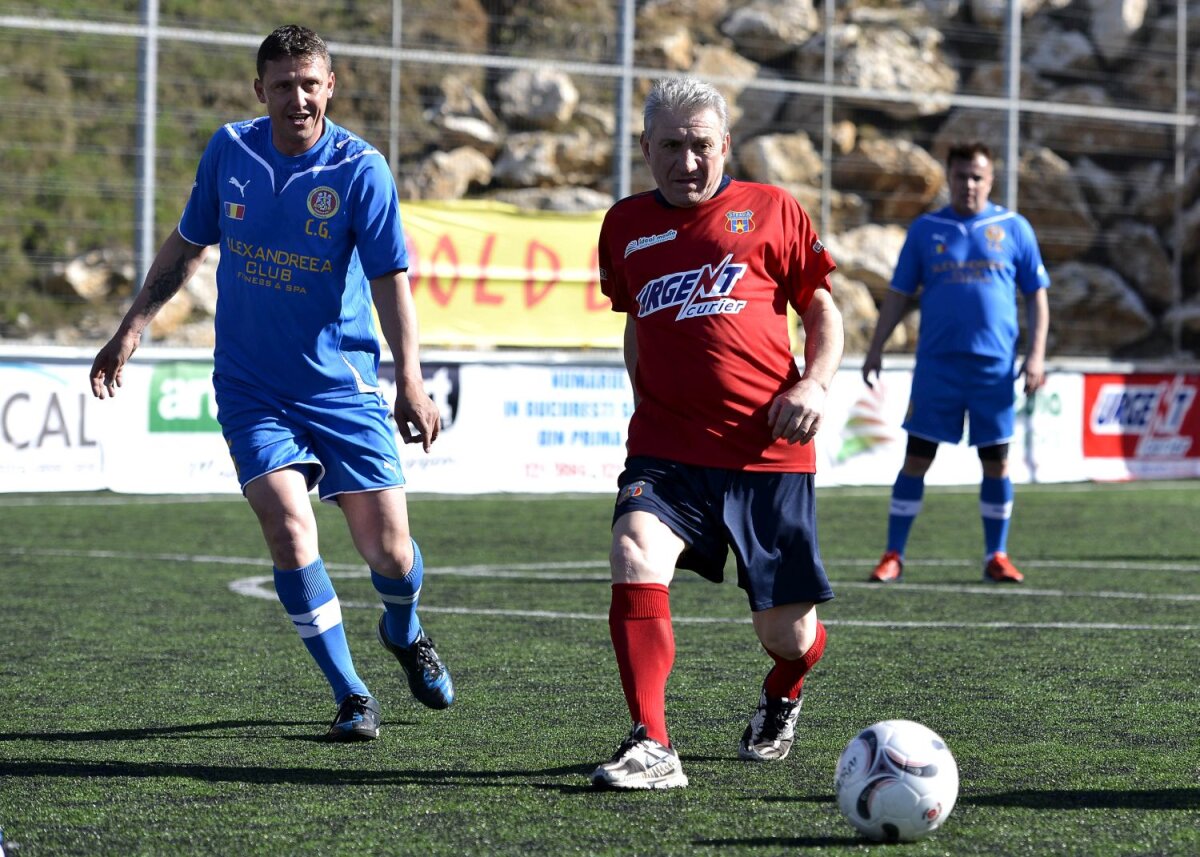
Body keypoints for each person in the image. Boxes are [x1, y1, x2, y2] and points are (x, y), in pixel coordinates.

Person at [89, 24, 454, 742]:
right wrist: (133, 325)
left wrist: (409, 378)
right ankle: (351, 693)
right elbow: (189, 243)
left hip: (342, 386)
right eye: (282, 85)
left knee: (390, 553)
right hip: (252, 385)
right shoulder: (231, 150)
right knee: (289, 528)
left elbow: (391, 282)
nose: (297, 99)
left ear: (331, 87)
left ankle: (404, 629)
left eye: (309, 84)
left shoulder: (360, 169)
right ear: (261, 91)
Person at [589, 77, 844, 790]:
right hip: (667, 451)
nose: (687, 161)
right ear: (646, 148)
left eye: (701, 145)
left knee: (787, 637)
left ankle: (784, 688)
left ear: (724, 145)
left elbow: (823, 310)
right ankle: (653, 743)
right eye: (670, 145)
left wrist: (814, 384)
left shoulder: (773, 209)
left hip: (768, 452)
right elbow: (637, 321)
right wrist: (648, 406)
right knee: (633, 547)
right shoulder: (623, 225)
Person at [861, 141, 1050, 585]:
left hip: (994, 369)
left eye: (978, 177)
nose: (969, 184)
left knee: (997, 462)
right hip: (938, 369)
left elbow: (1037, 296)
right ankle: (893, 554)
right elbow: (899, 294)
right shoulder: (927, 229)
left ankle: (996, 555)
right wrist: (876, 347)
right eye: (962, 176)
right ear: (949, 178)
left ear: (991, 180)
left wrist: (1036, 355)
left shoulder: (1013, 227)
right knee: (917, 459)